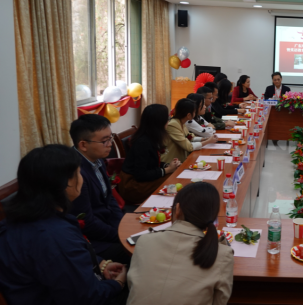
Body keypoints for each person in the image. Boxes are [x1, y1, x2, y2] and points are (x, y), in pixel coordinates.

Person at [0, 145, 127, 304]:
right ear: (65, 183)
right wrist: (119, 284)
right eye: (79, 173)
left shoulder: (21, 218)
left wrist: (101, 264)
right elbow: (88, 297)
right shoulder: (54, 235)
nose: (82, 178)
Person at [127, 182, 234, 305]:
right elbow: (220, 301)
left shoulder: (144, 241)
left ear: (177, 209)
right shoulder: (223, 255)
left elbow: (134, 289)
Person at [69, 114, 130, 265]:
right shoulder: (74, 173)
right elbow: (87, 222)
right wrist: (118, 235)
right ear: (83, 145)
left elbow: (110, 198)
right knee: (142, 250)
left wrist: (122, 226)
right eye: (105, 141)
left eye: (111, 138)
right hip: (92, 240)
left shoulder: (97, 160)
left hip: (108, 226)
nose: (110, 144)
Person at [119, 104, 181, 205]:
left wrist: (167, 165)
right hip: (132, 186)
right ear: (159, 122)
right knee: (173, 180)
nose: (168, 121)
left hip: (140, 181)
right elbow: (141, 175)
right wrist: (167, 170)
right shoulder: (143, 142)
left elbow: (150, 163)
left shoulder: (150, 137)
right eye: (167, 118)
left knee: (174, 177)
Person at [163, 99, 217, 163]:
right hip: (170, 162)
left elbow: (191, 137)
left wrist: (205, 138)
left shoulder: (181, 122)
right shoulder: (173, 125)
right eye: (194, 112)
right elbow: (189, 147)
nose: (195, 114)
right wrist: (208, 141)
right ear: (188, 115)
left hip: (180, 160)